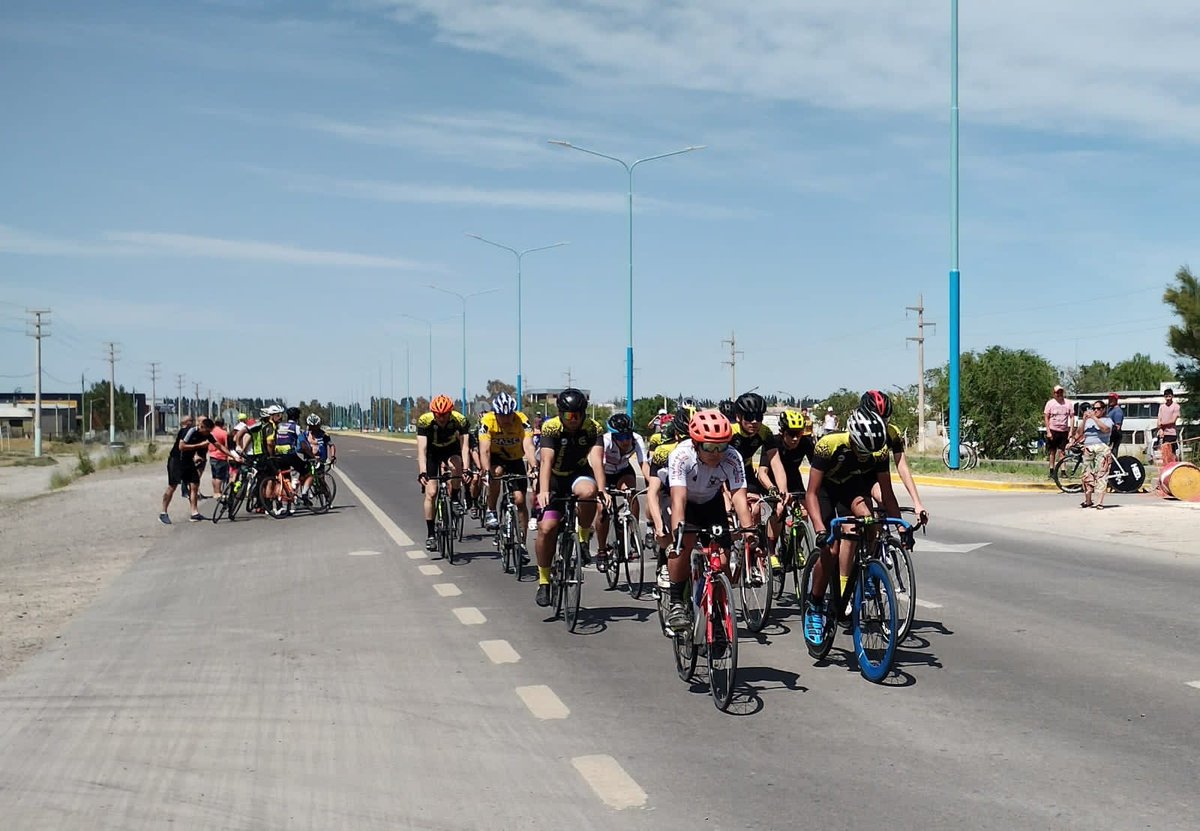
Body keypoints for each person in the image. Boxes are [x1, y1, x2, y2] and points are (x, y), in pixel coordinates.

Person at [803, 409, 901, 645]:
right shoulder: (829, 445)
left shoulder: (879, 451)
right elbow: (812, 493)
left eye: (870, 453)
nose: (866, 456)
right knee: (831, 550)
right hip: (825, 491)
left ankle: (865, 572)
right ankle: (815, 604)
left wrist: (900, 525)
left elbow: (886, 493)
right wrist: (819, 529)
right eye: (861, 451)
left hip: (851, 489)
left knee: (869, 521)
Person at [663, 410, 756, 632]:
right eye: (709, 447)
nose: (716, 453)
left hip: (711, 502)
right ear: (695, 444)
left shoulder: (733, 457)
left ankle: (715, 616)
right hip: (686, 502)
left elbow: (739, 497)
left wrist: (749, 530)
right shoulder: (681, 455)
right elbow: (678, 499)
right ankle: (677, 602)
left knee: (722, 562)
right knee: (683, 545)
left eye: (721, 446)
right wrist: (678, 532)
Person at [533, 388, 607, 608]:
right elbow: (546, 461)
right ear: (560, 414)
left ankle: (583, 539)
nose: (573, 421)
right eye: (568, 416)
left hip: (578, 474)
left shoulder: (593, 428)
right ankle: (544, 581)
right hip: (555, 478)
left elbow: (597, 460)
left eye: (577, 416)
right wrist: (544, 490)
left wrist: (602, 491)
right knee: (547, 528)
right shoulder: (551, 427)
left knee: (589, 493)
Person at [859, 390, 928, 522]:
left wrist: (917, 503)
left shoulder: (891, 433)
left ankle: (879, 536)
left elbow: (902, 466)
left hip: (876, 474)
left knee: (883, 500)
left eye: (886, 419)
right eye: (879, 420)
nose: (883, 424)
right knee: (865, 515)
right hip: (853, 476)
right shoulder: (856, 432)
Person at [416, 395, 471, 552]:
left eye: (445, 414)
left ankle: (454, 498)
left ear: (450, 412)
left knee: (457, 465)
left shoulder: (460, 420)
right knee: (431, 493)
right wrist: (423, 472)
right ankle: (431, 534)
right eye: (438, 414)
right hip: (433, 452)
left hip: (451, 448)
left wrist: (466, 470)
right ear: (433, 413)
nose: (441, 418)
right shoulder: (424, 421)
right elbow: (422, 450)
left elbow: (465, 447)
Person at [594, 412, 647, 571]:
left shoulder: (637, 439)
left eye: (627, 436)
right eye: (621, 437)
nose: (625, 441)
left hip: (623, 471)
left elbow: (644, 464)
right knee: (602, 509)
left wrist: (651, 485)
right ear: (614, 436)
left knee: (631, 493)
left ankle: (633, 533)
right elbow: (599, 467)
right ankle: (602, 550)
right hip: (605, 473)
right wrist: (602, 490)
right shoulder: (605, 442)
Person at [478, 392, 535, 541]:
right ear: (495, 414)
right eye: (502, 416)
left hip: (515, 458)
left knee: (520, 500)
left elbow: (528, 447)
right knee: (496, 472)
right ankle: (491, 510)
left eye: (509, 415)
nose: (506, 419)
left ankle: (522, 541)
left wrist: (533, 467)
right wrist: (485, 472)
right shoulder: (487, 421)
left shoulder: (522, 420)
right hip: (496, 457)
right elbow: (484, 450)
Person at [161, 417, 235, 523]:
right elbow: (181, 446)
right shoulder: (189, 431)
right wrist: (199, 445)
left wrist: (232, 455)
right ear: (202, 427)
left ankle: (194, 513)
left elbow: (219, 445)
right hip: (176, 460)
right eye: (207, 431)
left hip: (188, 461)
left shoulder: (207, 435)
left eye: (210, 431)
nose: (208, 433)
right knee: (172, 486)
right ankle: (163, 512)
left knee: (195, 485)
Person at [1074, 400, 1112, 509]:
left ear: (1103, 409)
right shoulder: (1088, 421)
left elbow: (1106, 429)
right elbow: (1079, 433)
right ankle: (1088, 500)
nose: (1095, 411)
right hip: (1088, 447)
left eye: (1098, 409)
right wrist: (1085, 419)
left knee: (1101, 474)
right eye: (1094, 408)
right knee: (1086, 474)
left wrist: (1095, 418)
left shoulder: (1107, 420)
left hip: (1101, 447)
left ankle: (1099, 502)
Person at [1043, 385, 1074, 476]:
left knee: (1062, 451)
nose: (1059, 394)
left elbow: (1072, 417)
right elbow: (1046, 417)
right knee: (1052, 451)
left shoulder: (1068, 403)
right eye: (1057, 392)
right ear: (1054, 394)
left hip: (1063, 430)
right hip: (1053, 430)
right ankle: (1052, 470)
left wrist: (1071, 431)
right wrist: (1048, 431)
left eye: (1061, 392)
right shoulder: (1050, 403)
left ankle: (1063, 471)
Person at [208, 418, 231, 498]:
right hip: (221, 456)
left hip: (212, 455)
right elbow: (226, 445)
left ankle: (215, 491)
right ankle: (218, 492)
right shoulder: (224, 433)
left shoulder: (211, 432)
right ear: (223, 423)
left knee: (214, 475)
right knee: (220, 476)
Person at [1157, 388, 1181, 465]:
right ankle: (1166, 467)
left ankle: (1174, 466)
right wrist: (1160, 429)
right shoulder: (1162, 407)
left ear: (1172, 396)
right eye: (1166, 396)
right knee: (1165, 453)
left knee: (1172, 453)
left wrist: (1162, 424)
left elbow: (1173, 420)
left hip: (1171, 433)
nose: (1168, 398)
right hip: (1163, 434)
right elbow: (1159, 419)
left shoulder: (1176, 406)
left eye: (1169, 396)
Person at [1106, 393, 1124, 458]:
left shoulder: (1117, 411)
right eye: (1109, 399)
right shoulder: (1110, 410)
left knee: (1113, 453)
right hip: (1108, 434)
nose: (1110, 400)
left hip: (1114, 435)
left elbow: (1117, 427)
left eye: (1112, 399)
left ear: (1116, 400)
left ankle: (1113, 465)